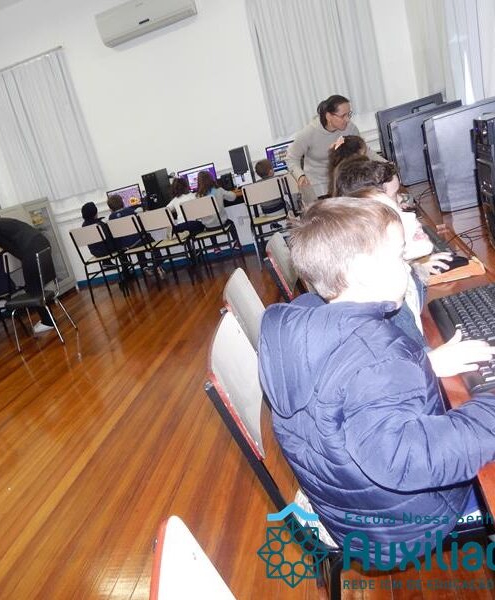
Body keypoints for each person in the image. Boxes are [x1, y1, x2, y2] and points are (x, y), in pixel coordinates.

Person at [258, 198, 495, 561]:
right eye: (399, 257)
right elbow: (410, 458)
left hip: (354, 510)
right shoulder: (374, 355)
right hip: (403, 525)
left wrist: (423, 366)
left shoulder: (308, 326)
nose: (407, 266)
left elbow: (353, 395)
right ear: (364, 272)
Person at [0, 205, 55, 334]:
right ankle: (49, 319)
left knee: (33, 289)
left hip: (31, 248)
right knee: (36, 286)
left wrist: (24, 259)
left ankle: (48, 322)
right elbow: (10, 243)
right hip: (40, 242)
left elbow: (8, 246)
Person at [286, 94, 384, 197]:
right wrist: (300, 176)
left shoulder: (350, 128)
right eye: (343, 116)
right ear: (328, 116)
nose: (347, 119)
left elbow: (364, 150)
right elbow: (291, 158)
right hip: (318, 186)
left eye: (349, 114)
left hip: (342, 181)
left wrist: (387, 164)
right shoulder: (309, 133)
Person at [107, 195, 164, 277]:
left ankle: (144, 267)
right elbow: (141, 226)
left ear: (110, 208)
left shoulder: (111, 218)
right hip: (139, 241)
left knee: (136, 244)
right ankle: (158, 264)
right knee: (147, 240)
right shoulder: (131, 212)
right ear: (122, 202)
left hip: (126, 246)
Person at [195, 171, 241, 251]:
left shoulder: (198, 196)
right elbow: (233, 197)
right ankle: (236, 243)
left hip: (208, 227)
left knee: (210, 223)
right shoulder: (219, 190)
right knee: (231, 223)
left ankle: (215, 247)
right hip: (222, 223)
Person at [80, 201, 114, 269]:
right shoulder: (99, 225)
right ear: (95, 213)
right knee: (119, 241)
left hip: (95, 252)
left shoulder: (84, 226)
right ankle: (125, 266)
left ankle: (106, 262)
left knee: (99, 244)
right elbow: (108, 236)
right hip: (108, 250)